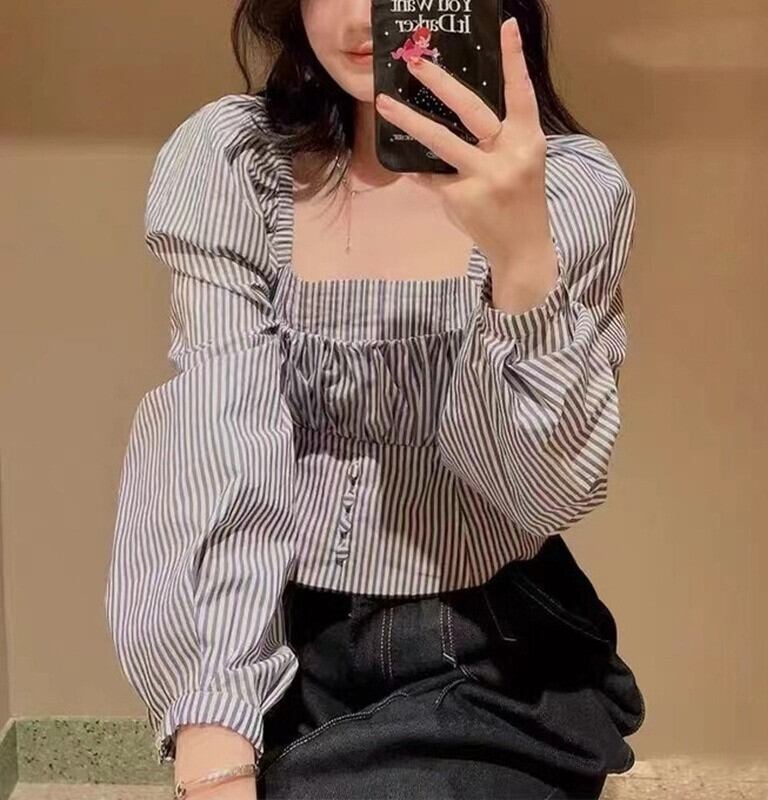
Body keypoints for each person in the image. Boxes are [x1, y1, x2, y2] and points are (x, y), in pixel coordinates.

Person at [104, 0, 646, 797]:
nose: (362, 14)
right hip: (275, 637)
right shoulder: (235, 163)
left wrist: (521, 263)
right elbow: (215, 432)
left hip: (487, 648)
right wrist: (215, 730)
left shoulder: (568, 190)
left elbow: (544, 493)